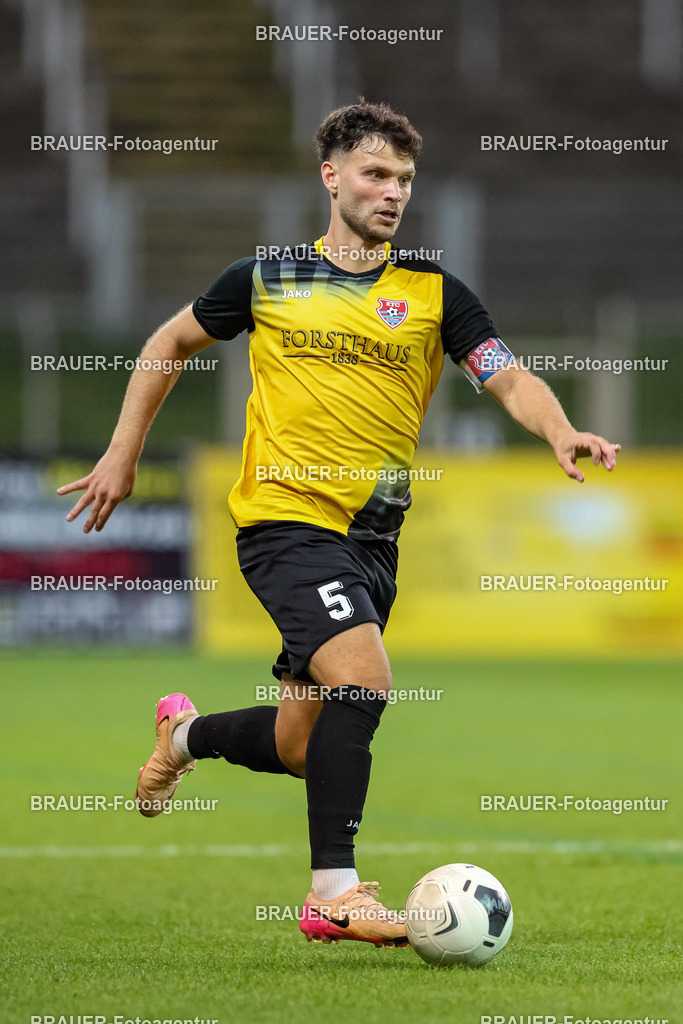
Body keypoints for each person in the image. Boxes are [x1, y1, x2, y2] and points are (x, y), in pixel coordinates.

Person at [58, 100, 620, 949]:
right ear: (331, 177)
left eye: (404, 180)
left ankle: (183, 735)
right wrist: (121, 454)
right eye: (375, 174)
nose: (392, 192)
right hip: (284, 522)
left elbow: (505, 375)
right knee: (364, 677)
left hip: (372, 540)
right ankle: (334, 894)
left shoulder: (433, 292)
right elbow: (166, 345)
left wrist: (558, 428)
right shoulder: (265, 278)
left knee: (300, 745)